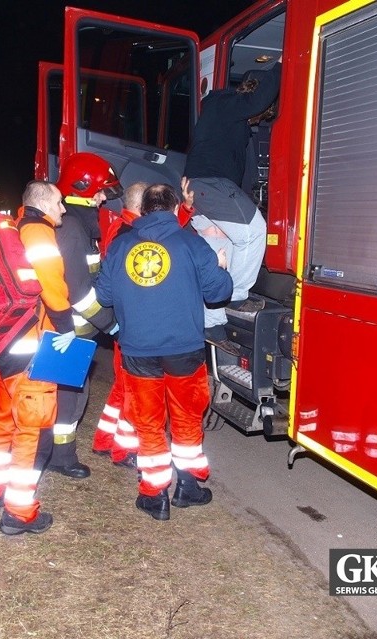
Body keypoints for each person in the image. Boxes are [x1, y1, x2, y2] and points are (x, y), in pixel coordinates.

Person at [95, 184, 233, 521]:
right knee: (186, 419)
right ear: (174, 209)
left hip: (138, 350)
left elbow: (104, 295)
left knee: (148, 423)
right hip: (184, 348)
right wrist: (222, 267)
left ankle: (155, 497)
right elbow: (219, 292)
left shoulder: (122, 244)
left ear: (142, 210)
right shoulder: (191, 243)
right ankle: (188, 486)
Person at [0, 180, 74, 535]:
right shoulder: (39, 234)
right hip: (31, 351)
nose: (63, 208)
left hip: (3, 347)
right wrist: (66, 326)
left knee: (1, 424)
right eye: (59, 202)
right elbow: (51, 285)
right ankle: (18, 513)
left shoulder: (12, 230)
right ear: (43, 203)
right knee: (34, 434)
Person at [92, 178, 195, 467]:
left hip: (127, 325)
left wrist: (184, 208)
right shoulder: (127, 235)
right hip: (131, 327)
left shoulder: (124, 230)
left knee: (122, 388)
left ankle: (103, 441)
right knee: (130, 393)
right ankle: (123, 450)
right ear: (141, 208)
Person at [183, 57, 283, 344]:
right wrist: (280, 65)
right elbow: (257, 101)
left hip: (202, 186)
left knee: (219, 245)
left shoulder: (225, 118)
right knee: (254, 232)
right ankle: (236, 296)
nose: (256, 119)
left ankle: (211, 326)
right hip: (211, 183)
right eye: (260, 114)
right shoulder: (224, 102)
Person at [46, 152, 122, 479]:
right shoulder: (74, 230)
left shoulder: (80, 226)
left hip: (76, 332)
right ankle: (60, 458)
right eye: (101, 192)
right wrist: (113, 325)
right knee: (67, 400)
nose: (104, 198)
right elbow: (78, 293)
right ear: (82, 188)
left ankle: (57, 453)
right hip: (66, 332)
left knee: (73, 395)